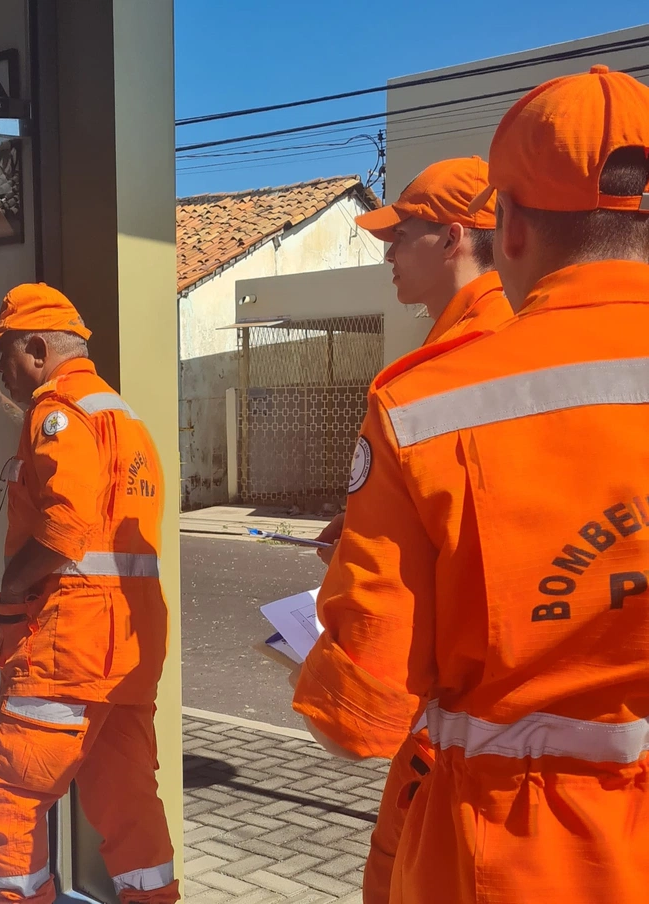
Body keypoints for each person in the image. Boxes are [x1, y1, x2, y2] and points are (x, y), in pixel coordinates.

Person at [293, 64, 649, 904]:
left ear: (510, 224)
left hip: (510, 849)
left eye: (397, 236)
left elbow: (362, 714)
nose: (385, 254)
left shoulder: (429, 406)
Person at [313, 156, 512, 904]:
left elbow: (384, 616)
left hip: (458, 744)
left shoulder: (431, 383)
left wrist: (342, 704)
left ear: (456, 236)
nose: (387, 253)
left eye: (403, 236)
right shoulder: (537, 345)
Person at [0, 283, 179, 904]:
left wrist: (13, 582)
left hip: (72, 643)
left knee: (5, 793)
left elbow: (66, 523)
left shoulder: (55, 409)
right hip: (129, 646)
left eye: (1, 354)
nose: (0, 370)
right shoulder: (119, 413)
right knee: (126, 798)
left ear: (35, 349)